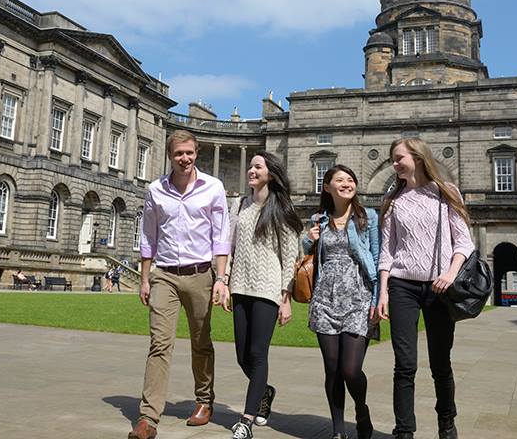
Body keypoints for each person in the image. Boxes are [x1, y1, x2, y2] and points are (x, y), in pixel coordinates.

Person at [128, 130, 231, 439]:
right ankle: (148, 418)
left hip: (201, 274)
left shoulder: (213, 187)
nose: (184, 158)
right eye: (178, 154)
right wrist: (145, 278)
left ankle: (203, 400)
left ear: (196, 152)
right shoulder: (155, 190)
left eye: (189, 153)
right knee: (159, 343)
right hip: (165, 275)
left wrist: (221, 279)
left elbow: (221, 236)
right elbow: (148, 236)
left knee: (201, 342)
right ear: (170, 156)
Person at [376, 138, 476, 439]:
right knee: (404, 364)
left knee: (440, 363)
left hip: (439, 287)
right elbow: (387, 251)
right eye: (393, 159)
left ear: (418, 157)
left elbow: (464, 241)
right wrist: (383, 290)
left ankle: (447, 422)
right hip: (402, 286)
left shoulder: (446, 193)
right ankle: (404, 430)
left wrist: (450, 272)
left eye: (398, 158)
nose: (394, 164)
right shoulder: (393, 201)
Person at [225, 152, 303, 439]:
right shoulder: (239, 205)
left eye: (258, 166)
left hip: (268, 289)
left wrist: (285, 298)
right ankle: (265, 391)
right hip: (240, 287)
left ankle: (246, 419)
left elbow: (290, 256)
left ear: (271, 173)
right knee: (242, 356)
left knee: (258, 353)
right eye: (251, 166)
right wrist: (224, 281)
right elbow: (230, 247)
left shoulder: (280, 208)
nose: (251, 170)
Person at [303, 165, 380, 439]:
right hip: (325, 299)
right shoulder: (318, 220)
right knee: (332, 369)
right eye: (340, 180)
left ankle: (361, 409)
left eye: (350, 180)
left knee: (350, 369)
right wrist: (307, 240)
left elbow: (378, 257)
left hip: (359, 298)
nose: (347, 183)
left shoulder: (367, 217)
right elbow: (308, 256)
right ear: (327, 187)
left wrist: (378, 298)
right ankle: (338, 430)